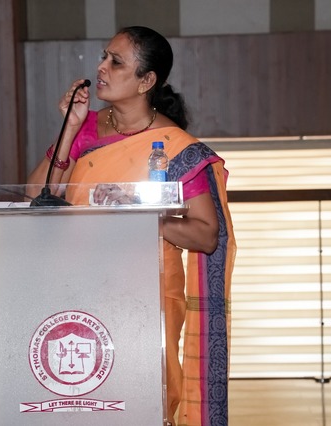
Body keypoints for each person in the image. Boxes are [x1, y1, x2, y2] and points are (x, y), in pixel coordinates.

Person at [28, 26, 236, 426]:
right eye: (104, 57)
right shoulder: (86, 128)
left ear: (146, 81)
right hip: (75, 287)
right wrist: (70, 128)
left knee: (142, 403)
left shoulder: (176, 148)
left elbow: (206, 235)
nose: (101, 68)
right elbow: (36, 195)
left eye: (116, 62)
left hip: (147, 294)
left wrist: (141, 214)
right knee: (83, 401)